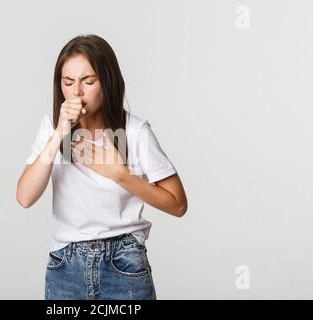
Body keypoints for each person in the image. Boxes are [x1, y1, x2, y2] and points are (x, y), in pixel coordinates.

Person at [16, 34, 188, 300]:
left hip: (124, 261)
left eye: (88, 81)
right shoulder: (51, 127)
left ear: (107, 82)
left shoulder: (135, 131)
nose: (76, 92)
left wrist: (119, 174)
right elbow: (25, 197)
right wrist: (60, 131)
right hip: (66, 264)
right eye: (68, 82)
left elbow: (177, 205)